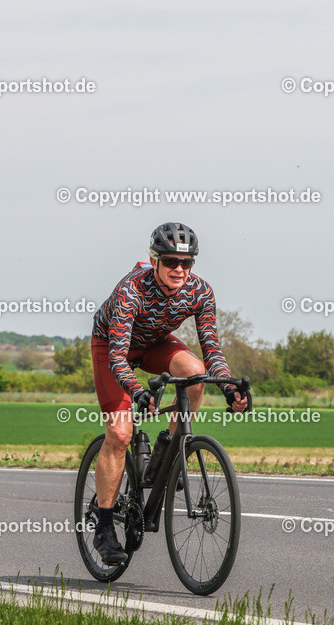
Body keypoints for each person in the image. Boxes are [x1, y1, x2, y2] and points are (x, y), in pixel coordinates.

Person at [89, 222, 247, 565]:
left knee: (195, 374)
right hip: (114, 348)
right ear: (154, 260)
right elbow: (118, 358)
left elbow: (212, 351)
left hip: (154, 344)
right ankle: (102, 526)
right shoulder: (131, 290)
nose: (179, 269)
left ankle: (168, 452)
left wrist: (230, 386)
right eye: (171, 261)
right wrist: (137, 391)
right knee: (119, 432)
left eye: (186, 263)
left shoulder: (200, 292)